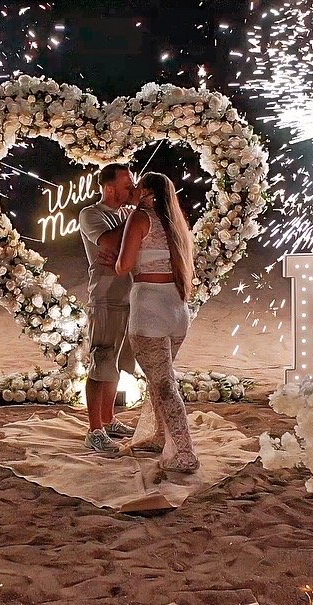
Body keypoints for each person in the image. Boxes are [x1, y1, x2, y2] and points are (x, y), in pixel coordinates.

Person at [114, 172, 199, 473]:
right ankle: (161, 435)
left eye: (138, 187)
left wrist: (116, 257)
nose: (134, 191)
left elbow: (124, 266)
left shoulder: (140, 218)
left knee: (164, 383)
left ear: (149, 192)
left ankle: (185, 452)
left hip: (149, 309)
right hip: (176, 310)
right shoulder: (175, 222)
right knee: (159, 377)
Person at [78, 163, 138, 454]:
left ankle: (109, 419)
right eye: (127, 185)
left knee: (117, 363)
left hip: (129, 296)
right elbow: (111, 242)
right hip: (105, 296)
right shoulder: (91, 214)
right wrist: (135, 223)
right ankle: (94, 430)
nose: (133, 190)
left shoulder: (127, 214)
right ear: (109, 188)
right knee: (101, 360)